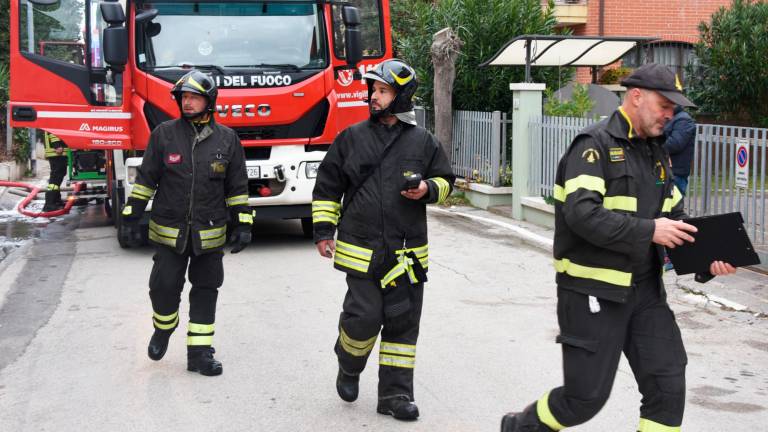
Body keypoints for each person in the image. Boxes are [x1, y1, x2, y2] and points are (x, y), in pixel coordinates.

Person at [500, 63, 736, 432]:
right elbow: (582, 215)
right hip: (592, 293)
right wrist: (649, 231)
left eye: (673, 109)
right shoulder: (592, 147)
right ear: (636, 97)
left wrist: (708, 261)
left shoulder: (657, 154)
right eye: (664, 106)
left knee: (667, 386)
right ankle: (520, 427)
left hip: (646, 295)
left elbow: (674, 221)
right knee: (584, 399)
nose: (669, 115)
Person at [312, 59, 455, 421]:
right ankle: (349, 362)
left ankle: (394, 395)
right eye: (373, 90)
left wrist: (426, 188)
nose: (374, 97)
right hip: (361, 251)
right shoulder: (352, 138)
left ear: (401, 96)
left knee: (402, 324)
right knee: (363, 318)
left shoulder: (423, 142)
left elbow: (446, 182)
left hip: (407, 255)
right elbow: (327, 188)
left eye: (382, 91)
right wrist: (324, 232)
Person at [120, 70, 253, 376]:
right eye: (184, 98)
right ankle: (163, 328)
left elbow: (237, 188)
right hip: (170, 233)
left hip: (209, 234)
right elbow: (145, 181)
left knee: (206, 289)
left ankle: (200, 354)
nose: (188, 103)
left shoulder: (228, 139)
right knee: (163, 287)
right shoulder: (164, 134)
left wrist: (243, 224)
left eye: (194, 97)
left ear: (210, 101)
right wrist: (131, 215)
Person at [663, 105, 696, 195]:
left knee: (673, 206)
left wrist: (653, 144)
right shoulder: (669, 118)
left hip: (675, 174)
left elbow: (675, 144)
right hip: (664, 172)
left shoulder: (684, 120)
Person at [42, 131, 69, 212]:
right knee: (55, 179)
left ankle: (56, 201)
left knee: (58, 177)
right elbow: (53, 131)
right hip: (56, 153)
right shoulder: (52, 120)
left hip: (57, 154)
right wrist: (57, 146)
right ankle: (49, 204)